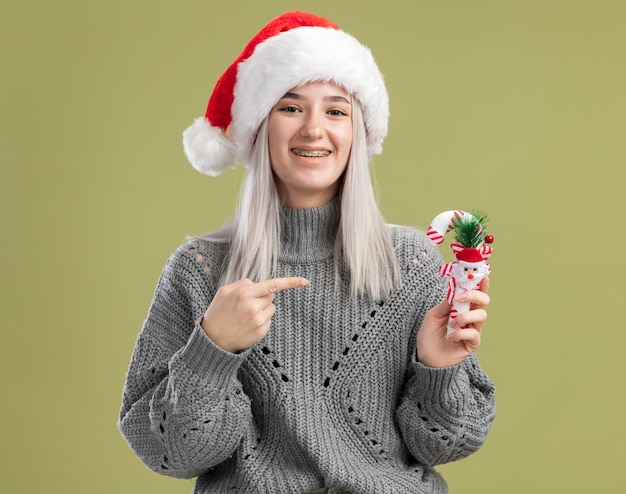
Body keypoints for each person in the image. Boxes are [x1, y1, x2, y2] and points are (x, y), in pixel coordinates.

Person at [118, 11, 496, 494]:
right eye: (291, 107)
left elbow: (448, 443)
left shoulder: (413, 262)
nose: (314, 129)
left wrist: (438, 369)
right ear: (260, 129)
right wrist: (211, 350)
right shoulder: (199, 270)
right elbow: (172, 454)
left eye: (336, 110)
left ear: (357, 133)